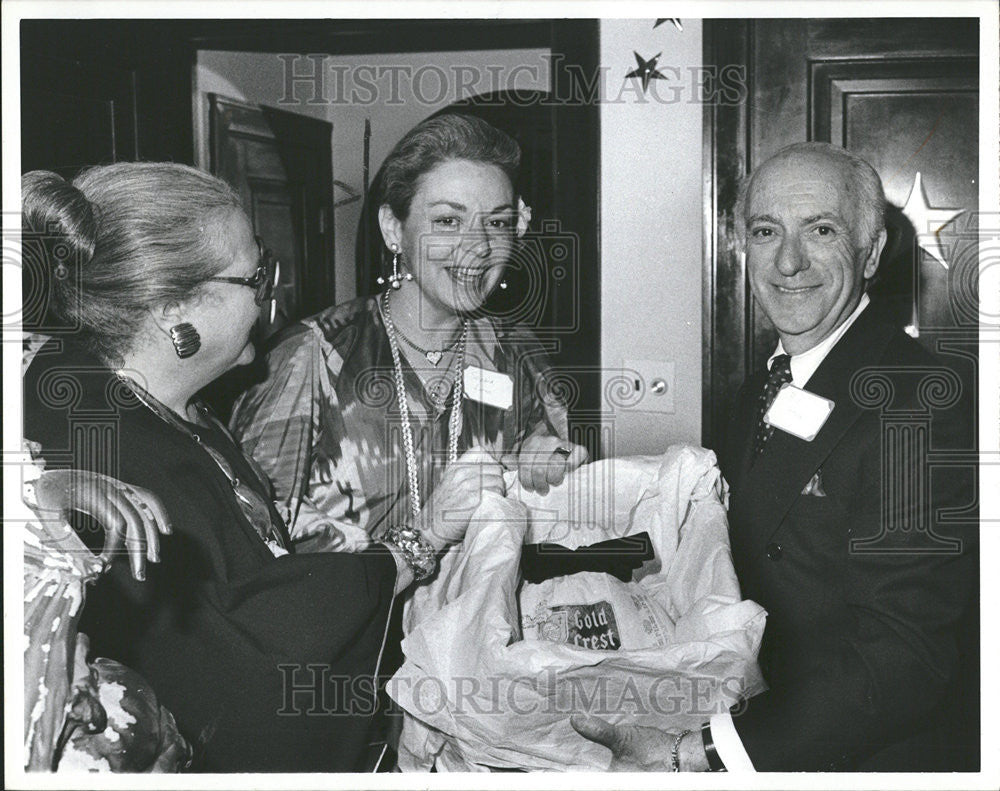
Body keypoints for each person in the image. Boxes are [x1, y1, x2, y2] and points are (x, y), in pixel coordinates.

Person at [21, 164, 484, 772]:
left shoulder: (156, 399)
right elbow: (248, 651)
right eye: (255, 277)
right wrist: (418, 544)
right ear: (171, 308)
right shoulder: (106, 450)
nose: (273, 296)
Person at [572, 142, 977, 771]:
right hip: (755, 714)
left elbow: (907, 655)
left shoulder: (917, 404)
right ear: (743, 247)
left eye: (821, 230)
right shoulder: (763, 384)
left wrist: (705, 753)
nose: (789, 261)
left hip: (847, 757)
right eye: (767, 231)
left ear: (870, 252)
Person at [230, 112, 587, 558]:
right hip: (359, 621)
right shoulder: (313, 354)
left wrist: (545, 463)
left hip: (479, 618)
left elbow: (543, 504)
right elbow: (256, 535)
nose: (478, 246)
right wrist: (414, 542)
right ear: (393, 229)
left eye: (496, 223)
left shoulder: (517, 351)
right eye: (447, 222)